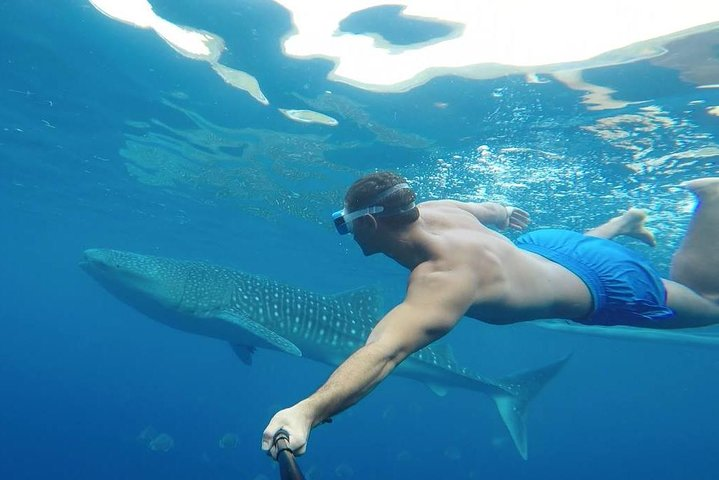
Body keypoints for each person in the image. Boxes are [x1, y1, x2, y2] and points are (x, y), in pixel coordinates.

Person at [261, 172, 719, 458]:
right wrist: (502, 213)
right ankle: (624, 224)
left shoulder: (444, 279)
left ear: (372, 223)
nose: (347, 230)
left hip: (605, 286)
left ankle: (709, 198)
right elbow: (496, 212)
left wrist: (308, 410)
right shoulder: (437, 211)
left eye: (346, 222)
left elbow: (383, 351)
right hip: (551, 247)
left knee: (708, 300)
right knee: (549, 268)